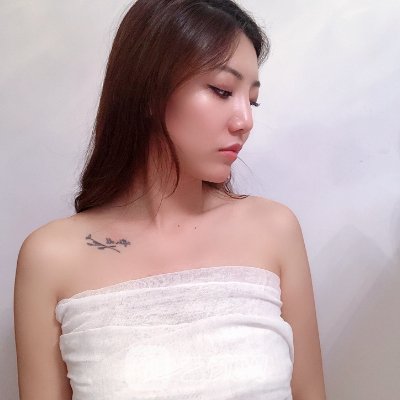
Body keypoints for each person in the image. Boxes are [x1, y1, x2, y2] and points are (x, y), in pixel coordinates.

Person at [14, 0, 326, 399]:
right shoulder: (52, 257)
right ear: (149, 90)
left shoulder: (274, 231)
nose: (245, 121)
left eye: (252, 100)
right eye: (222, 91)